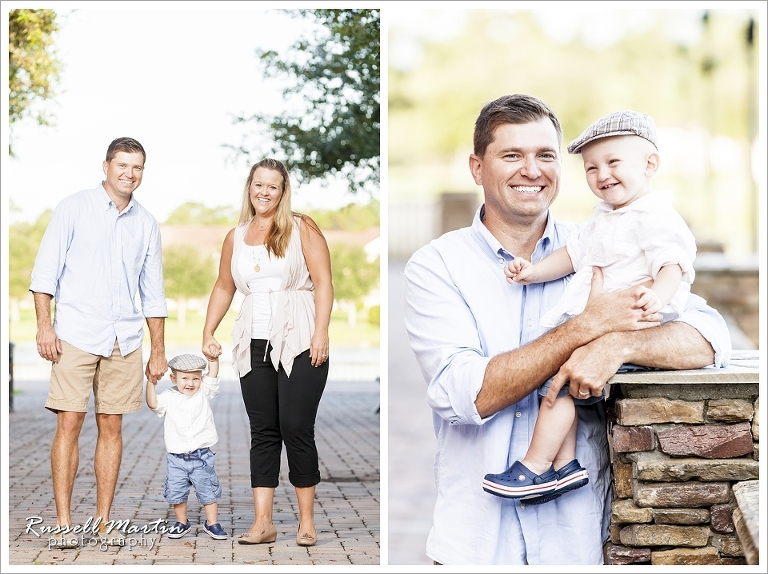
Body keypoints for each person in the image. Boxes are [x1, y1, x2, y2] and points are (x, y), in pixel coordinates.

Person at [402, 94, 731, 565]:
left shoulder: (612, 243)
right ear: (477, 168)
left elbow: (709, 339)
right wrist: (588, 327)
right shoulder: (436, 267)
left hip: (578, 541)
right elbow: (465, 396)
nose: (531, 170)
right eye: (512, 155)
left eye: (546, 155)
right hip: (477, 542)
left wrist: (617, 344)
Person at [483, 111, 697, 504]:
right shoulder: (601, 218)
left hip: (630, 321)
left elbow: (674, 263)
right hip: (599, 321)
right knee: (560, 381)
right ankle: (564, 466)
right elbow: (572, 255)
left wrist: (659, 297)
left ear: (649, 164)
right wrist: (532, 272)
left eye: (614, 163)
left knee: (561, 384)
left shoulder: (655, 215)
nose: (602, 175)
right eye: (591, 168)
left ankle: (535, 465)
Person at [29, 137, 168, 547]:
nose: (129, 173)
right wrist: (44, 327)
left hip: (123, 339)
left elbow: (153, 293)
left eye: (137, 167)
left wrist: (157, 348)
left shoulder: (147, 223)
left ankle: (104, 521)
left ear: (143, 172)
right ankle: (64, 522)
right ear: (105, 166)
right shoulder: (73, 208)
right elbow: (44, 276)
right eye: (122, 165)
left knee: (112, 425)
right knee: (69, 422)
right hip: (74, 333)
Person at [202, 158, 333, 547]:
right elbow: (225, 286)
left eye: (272, 186)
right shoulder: (236, 236)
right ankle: (263, 523)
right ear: (249, 187)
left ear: (283, 190)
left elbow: (324, 282)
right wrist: (208, 330)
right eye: (258, 185)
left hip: (300, 339)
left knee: (295, 426)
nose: (264, 192)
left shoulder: (301, 227)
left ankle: (306, 522)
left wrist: (321, 331)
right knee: (263, 432)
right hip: (252, 343)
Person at [146, 353, 227, 540]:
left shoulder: (203, 393)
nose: (190, 383)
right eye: (184, 378)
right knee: (177, 492)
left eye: (195, 379)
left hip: (201, 457)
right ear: (173, 378)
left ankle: (212, 523)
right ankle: (182, 522)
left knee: (208, 490)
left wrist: (213, 361)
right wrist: (151, 382)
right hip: (177, 458)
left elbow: (212, 377)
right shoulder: (169, 396)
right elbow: (153, 404)